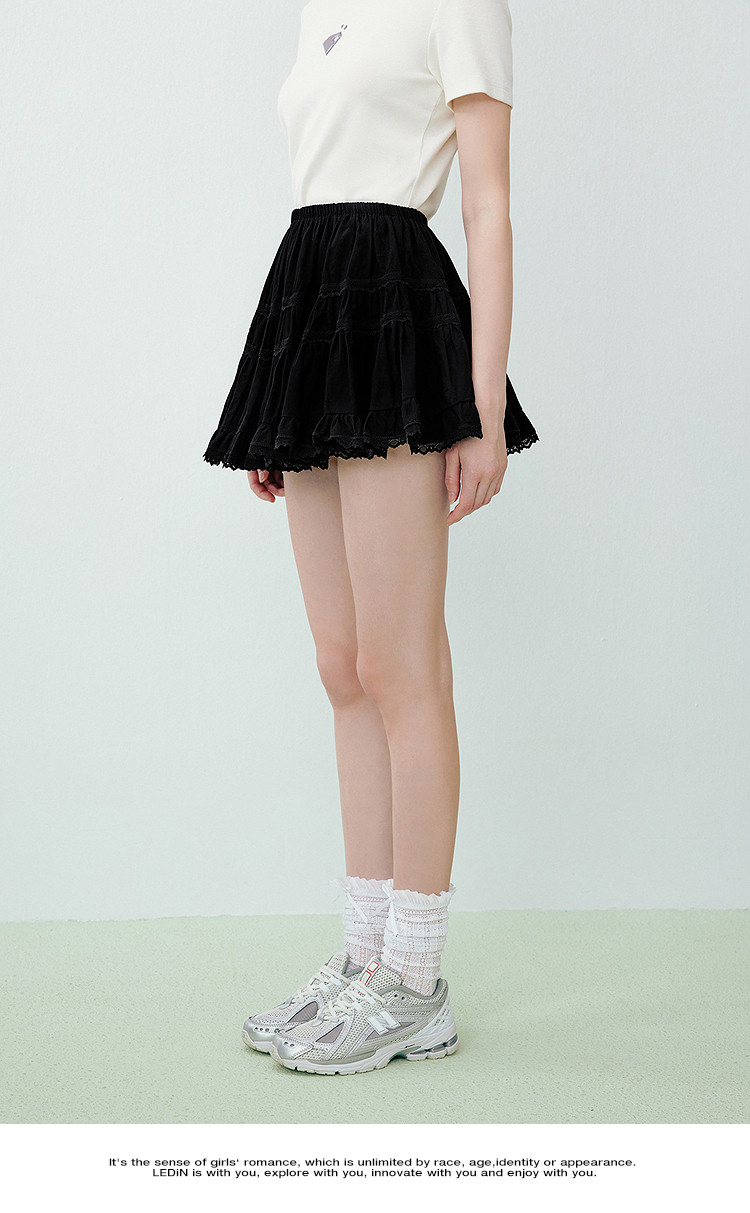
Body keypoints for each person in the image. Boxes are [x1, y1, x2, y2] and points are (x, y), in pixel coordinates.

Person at [203, 0, 539, 1075]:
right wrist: (281, 403)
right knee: (343, 666)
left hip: (393, 307)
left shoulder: (461, 6)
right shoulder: (322, 11)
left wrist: (481, 411)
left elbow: (487, 205)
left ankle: (416, 980)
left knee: (402, 667)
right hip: (310, 305)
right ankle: (364, 956)